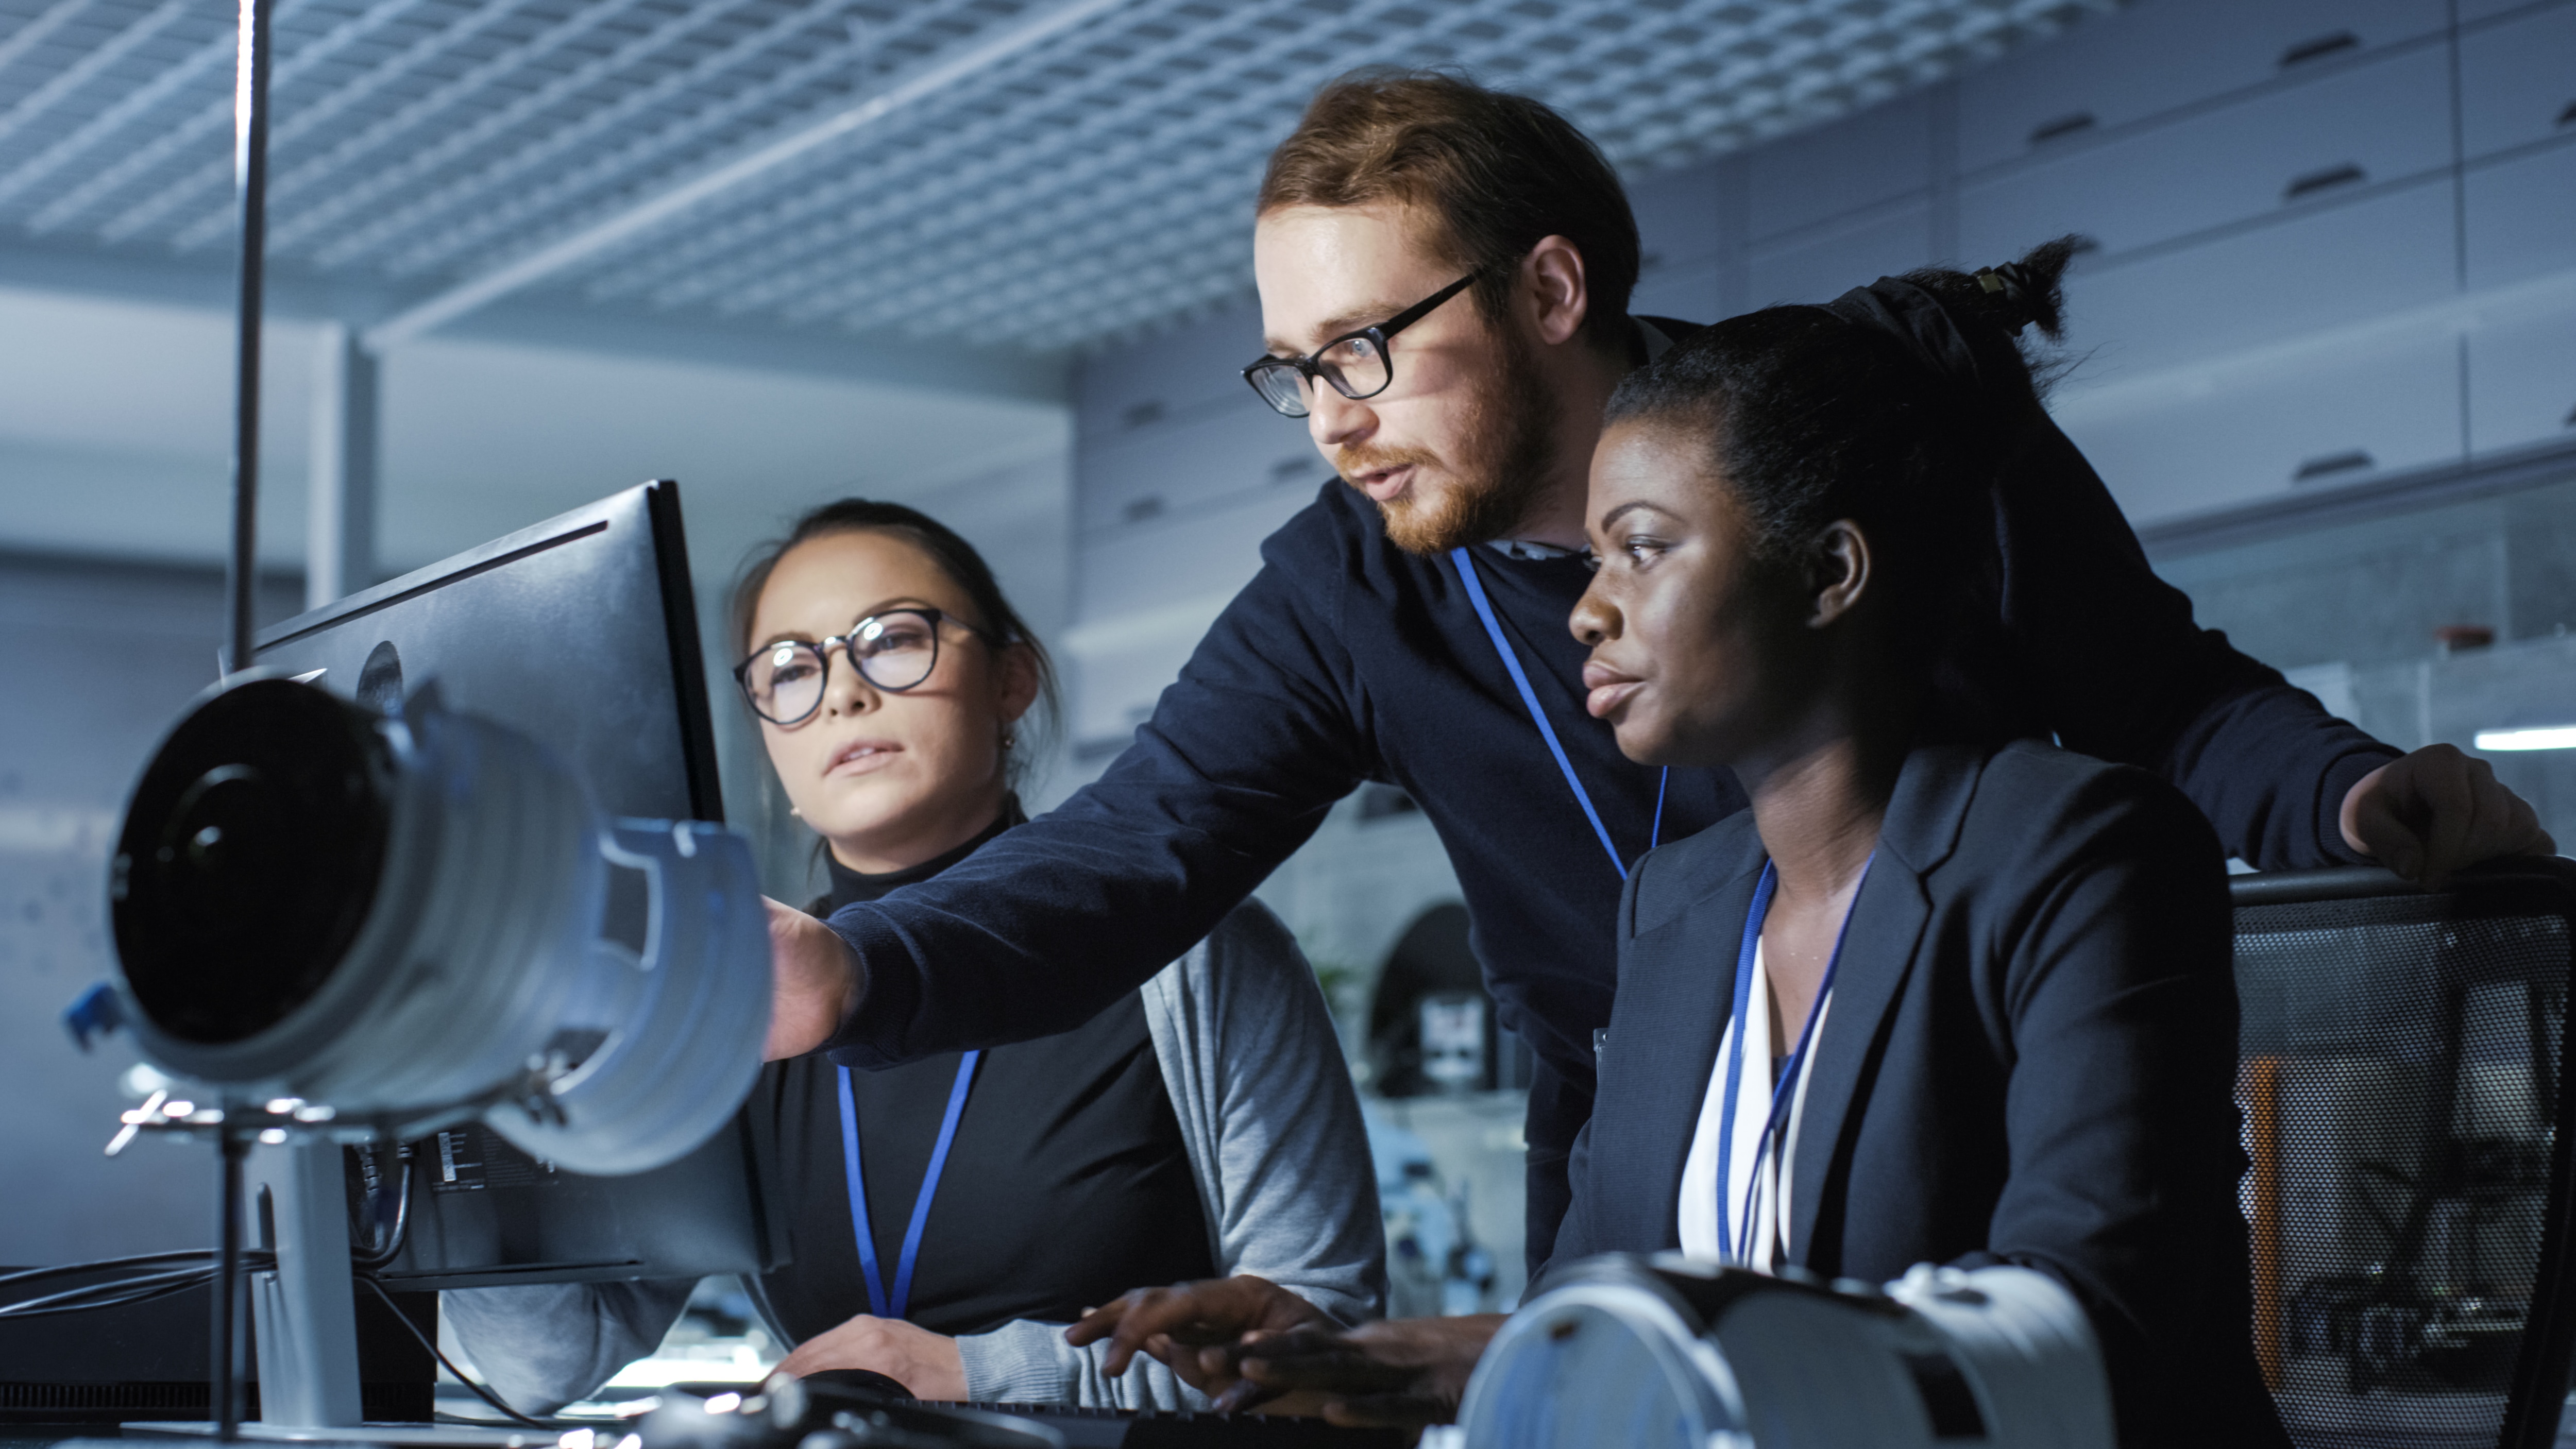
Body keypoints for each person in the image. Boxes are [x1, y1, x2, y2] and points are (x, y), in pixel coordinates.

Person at [766, 71, 2553, 1275]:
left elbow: (2158, 692)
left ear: (1549, 288)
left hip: (1961, 1151)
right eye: (1295, 371)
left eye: (1367, 349)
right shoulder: (1348, 590)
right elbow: (1132, 850)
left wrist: (2340, 791)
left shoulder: (1854, 437)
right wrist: (852, 966)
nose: (1330, 422)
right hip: (1627, 1189)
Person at [1068, 246, 2286, 1447]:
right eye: (1593, 557)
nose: (1589, 609)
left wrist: (1603, 1345)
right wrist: (1379, 1357)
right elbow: (1605, 1303)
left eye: (1642, 548)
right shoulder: (1679, 910)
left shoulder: (2083, 852)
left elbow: (2084, 1327)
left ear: (1826, 572)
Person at [444, 500, 1382, 1412]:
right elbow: (544, 1365)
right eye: (789, 668)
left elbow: (1324, 1335)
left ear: (1012, 682)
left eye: (891, 639)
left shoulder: (1197, 953)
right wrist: (457, 1064)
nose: (843, 691)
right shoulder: (741, 993)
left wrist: (980, 1374)